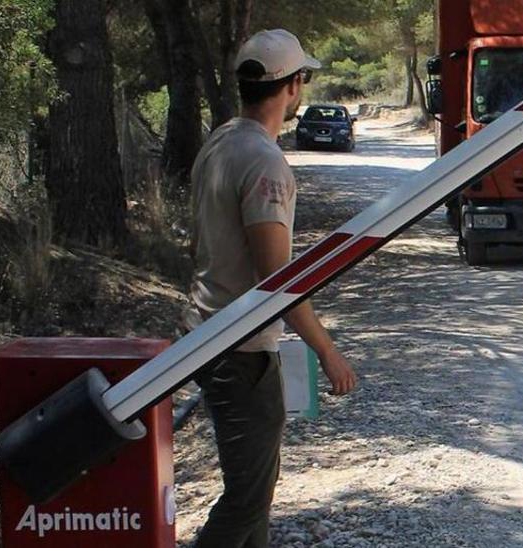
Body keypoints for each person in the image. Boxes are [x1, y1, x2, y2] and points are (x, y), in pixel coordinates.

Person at [185, 29, 357, 547]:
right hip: (239, 352)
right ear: (295, 86)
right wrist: (327, 351)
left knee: (255, 493)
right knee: (247, 500)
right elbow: (276, 283)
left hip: (213, 337)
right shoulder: (264, 163)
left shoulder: (221, 141)